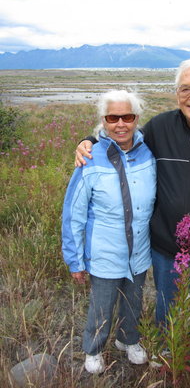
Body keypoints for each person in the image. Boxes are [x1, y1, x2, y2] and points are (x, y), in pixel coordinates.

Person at [75, 58, 190, 331]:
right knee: (166, 304)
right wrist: (89, 141)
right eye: (185, 89)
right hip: (165, 246)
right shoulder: (159, 128)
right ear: (177, 93)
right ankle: (165, 350)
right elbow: (123, 138)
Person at [62, 90, 156, 374]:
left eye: (127, 117)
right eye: (112, 117)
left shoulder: (149, 151)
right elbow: (73, 215)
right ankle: (93, 348)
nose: (120, 124)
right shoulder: (89, 158)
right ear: (103, 120)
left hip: (139, 250)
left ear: (137, 118)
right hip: (105, 253)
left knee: (134, 301)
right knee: (101, 306)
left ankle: (128, 340)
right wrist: (75, 259)